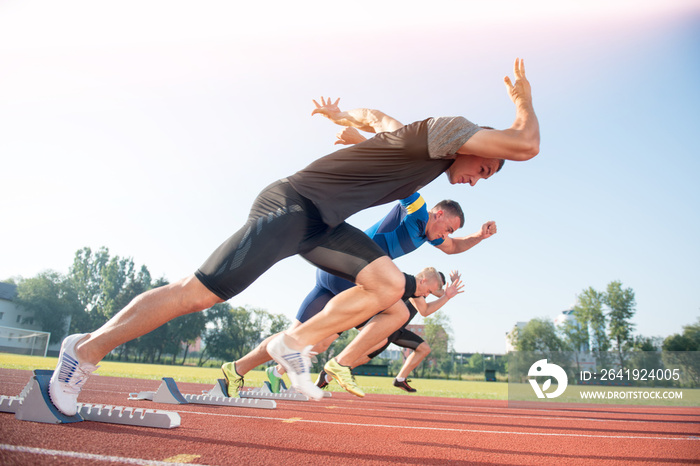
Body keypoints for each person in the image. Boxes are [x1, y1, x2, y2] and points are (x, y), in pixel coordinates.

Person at [49, 58, 539, 413]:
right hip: (291, 205)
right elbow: (526, 144)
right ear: (473, 143)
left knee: (390, 286)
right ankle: (84, 351)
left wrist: (349, 121)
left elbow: (383, 120)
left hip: (323, 225)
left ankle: (293, 345)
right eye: (486, 167)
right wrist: (523, 104)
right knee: (196, 295)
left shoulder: (426, 154)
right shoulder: (449, 130)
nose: (480, 176)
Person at [223, 192, 495, 397]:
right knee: (398, 311)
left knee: (301, 338)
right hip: (350, 274)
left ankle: (237, 369)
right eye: (448, 227)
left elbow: (453, 247)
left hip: (336, 275)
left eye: (451, 232)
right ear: (438, 214)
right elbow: (401, 181)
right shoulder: (417, 209)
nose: (447, 235)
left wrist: (479, 237)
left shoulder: (430, 236)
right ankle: (341, 364)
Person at [317, 271, 464, 394]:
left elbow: (427, 308)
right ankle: (329, 372)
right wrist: (446, 294)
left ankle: (400, 379)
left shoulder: (419, 294)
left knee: (423, 348)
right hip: (385, 324)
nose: (429, 293)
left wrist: (448, 293)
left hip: (398, 329)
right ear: (424, 280)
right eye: (433, 289)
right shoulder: (409, 286)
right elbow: (432, 301)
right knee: (365, 354)